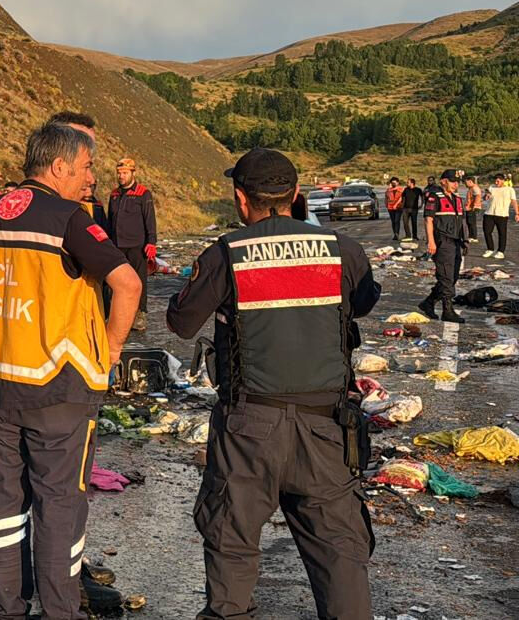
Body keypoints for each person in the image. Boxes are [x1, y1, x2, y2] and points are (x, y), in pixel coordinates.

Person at [0, 122, 142, 620]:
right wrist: (112, 348)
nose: (91, 176)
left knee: (5, 501)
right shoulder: (68, 218)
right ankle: (59, 611)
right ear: (59, 167)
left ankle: (6, 609)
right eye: (87, 166)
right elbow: (129, 284)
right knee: (58, 506)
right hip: (58, 385)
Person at [167, 147, 379, 620]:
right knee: (340, 555)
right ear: (296, 194)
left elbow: (181, 321)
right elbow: (362, 303)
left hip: (249, 429)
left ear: (242, 199)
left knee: (231, 544)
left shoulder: (226, 254)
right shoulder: (342, 250)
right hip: (326, 430)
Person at [106, 157, 158, 332]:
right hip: (117, 246)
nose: (121, 176)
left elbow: (150, 219)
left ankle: (140, 315)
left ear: (133, 173)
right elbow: (109, 221)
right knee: (116, 282)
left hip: (137, 246)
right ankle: (114, 315)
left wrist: (151, 242)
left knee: (138, 282)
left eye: (125, 173)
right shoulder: (114, 195)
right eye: (119, 173)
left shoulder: (143, 194)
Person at [420, 170, 468, 322]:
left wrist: (465, 240)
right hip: (442, 240)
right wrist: (431, 241)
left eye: (457, 182)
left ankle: (429, 303)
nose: (456, 184)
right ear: (443, 182)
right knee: (446, 276)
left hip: (456, 241)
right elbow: (428, 220)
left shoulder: (458, 199)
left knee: (452, 277)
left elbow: (461, 222)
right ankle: (447, 311)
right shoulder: (434, 197)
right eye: (453, 181)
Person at [483, 173, 512, 259]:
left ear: (503, 180)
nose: (496, 182)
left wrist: (517, 213)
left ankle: (500, 251)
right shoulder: (491, 188)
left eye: (498, 181)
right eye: (495, 180)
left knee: (502, 234)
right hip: (489, 213)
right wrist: (486, 196)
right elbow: (485, 198)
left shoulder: (509, 189)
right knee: (487, 232)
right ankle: (490, 249)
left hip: (502, 214)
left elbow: (513, 201)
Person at [400, 178, 423, 244]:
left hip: (414, 209)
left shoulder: (418, 190)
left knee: (414, 222)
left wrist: (421, 204)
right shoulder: (405, 189)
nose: (407, 184)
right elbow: (403, 198)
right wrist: (402, 206)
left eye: (408, 182)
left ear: (412, 183)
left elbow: (422, 197)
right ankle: (408, 235)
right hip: (405, 209)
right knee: (405, 222)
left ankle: (415, 236)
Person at [463, 176, 484, 244]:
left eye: (466, 183)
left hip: (472, 208)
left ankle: (474, 237)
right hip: (469, 208)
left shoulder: (475, 188)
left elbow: (478, 196)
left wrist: (476, 205)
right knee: (469, 222)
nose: (465, 184)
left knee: (472, 223)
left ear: (470, 182)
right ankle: (471, 237)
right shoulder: (471, 188)